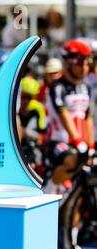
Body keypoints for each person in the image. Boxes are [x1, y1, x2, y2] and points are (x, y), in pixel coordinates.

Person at [44, 39, 95, 196]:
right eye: (80, 62)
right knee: (71, 160)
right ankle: (48, 191)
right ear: (68, 62)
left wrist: (91, 145)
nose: (84, 67)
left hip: (78, 143)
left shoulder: (85, 86)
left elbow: (88, 118)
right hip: (58, 142)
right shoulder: (58, 86)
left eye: (88, 63)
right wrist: (77, 140)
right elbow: (63, 114)